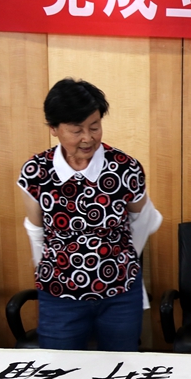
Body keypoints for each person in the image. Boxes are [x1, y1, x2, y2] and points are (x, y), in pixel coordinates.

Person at [17, 78, 161, 351]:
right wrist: (48, 272)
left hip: (119, 292)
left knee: (120, 365)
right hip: (59, 294)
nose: (88, 137)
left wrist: (123, 259)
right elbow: (36, 231)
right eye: (77, 130)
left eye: (94, 127)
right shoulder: (36, 172)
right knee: (59, 366)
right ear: (54, 129)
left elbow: (146, 219)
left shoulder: (124, 168)